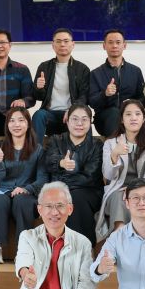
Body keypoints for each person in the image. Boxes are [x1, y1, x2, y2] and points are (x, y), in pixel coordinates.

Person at [0, 106, 45, 262]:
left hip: (27, 193)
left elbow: (43, 179)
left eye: (21, 120)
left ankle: (24, 250)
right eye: (12, 121)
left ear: (28, 124)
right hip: (2, 190)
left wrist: (27, 189)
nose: (16, 124)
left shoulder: (38, 149)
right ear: (7, 125)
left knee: (21, 202)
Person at [96, 100, 145, 242]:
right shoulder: (110, 143)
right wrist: (114, 154)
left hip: (143, 190)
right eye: (128, 114)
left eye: (137, 114)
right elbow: (108, 175)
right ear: (122, 120)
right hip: (116, 190)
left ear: (143, 118)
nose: (133, 118)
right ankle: (119, 237)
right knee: (121, 198)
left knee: (143, 201)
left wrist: (134, 189)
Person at [43, 103, 103, 244]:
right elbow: (48, 162)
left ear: (90, 122)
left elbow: (90, 177)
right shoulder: (56, 140)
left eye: (84, 119)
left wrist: (62, 183)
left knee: (75, 198)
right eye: (75, 119)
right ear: (67, 121)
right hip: (60, 192)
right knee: (64, 199)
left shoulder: (97, 145)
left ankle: (84, 247)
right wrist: (61, 163)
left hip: (90, 191)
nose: (79, 123)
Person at [31, 28, 90, 143]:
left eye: (66, 41)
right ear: (53, 45)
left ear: (73, 44)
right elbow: (38, 97)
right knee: (38, 115)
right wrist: (39, 88)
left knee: (84, 115)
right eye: (58, 41)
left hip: (71, 115)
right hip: (50, 114)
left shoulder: (82, 69)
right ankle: (36, 151)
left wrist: (73, 110)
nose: (62, 44)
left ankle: (85, 152)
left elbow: (84, 96)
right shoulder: (44, 67)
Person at [88, 29, 145, 138]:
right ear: (104, 46)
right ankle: (116, 146)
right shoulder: (95, 73)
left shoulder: (135, 71)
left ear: (124, 45)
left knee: (134, 115)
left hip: (130, 116)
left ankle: (140, 146)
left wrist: (132, 104)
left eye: (118, 42)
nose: (114, 46)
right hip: (105, 118)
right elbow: (92, 102)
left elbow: (144, 98)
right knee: (114, 113)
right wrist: (105, 94)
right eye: (110, 42)